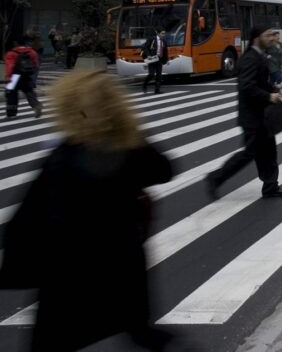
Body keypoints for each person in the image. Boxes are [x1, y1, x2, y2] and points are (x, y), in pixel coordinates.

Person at [0, 70, 174, 351]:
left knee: (49, 343)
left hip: (70, 276)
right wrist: (129, 132)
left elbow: (27, 221)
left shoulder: (62, 158)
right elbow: (164, 170)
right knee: (141, 333)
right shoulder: (129, 149)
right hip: (123, 266)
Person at [206, 26, 282, 200]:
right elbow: (247, 87)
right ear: (256, 37)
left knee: (268, 152)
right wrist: (269, 96)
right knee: (249, 153)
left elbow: (258, 82)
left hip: (262, 115)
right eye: (267, 35)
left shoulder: (259, 55)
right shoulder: (250, 58)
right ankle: (215, 178)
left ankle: (270, 187)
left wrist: (272, 89)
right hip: (252, 117)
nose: (272, 39)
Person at [5, 35, 44, 119]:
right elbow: (36, 65)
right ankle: (36, 105)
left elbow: (10, 65)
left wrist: (8, 76)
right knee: (29, 92)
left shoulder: (11, 53)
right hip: (26, 76)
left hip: (14, 77)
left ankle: (11, 113)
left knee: (11, 94)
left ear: (15, 43)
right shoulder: (31, 52)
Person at [140, 27, 169, 95]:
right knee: (151, 74)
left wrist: (166, 59)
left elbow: (165, 51)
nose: (163, 35)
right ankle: (145, 84)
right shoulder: (152, 39)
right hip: (152, 59)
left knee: (159, 75)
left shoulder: (164, 41)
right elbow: (145, 48)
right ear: (158, 33)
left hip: (160, 59)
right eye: (162, 33)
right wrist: (148, 55)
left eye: (164, 33)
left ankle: (157, 89)